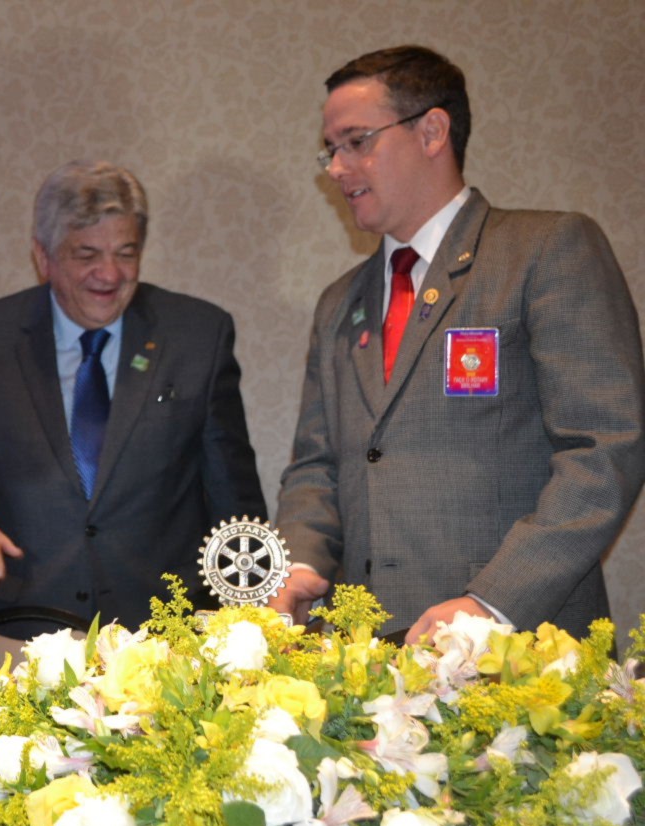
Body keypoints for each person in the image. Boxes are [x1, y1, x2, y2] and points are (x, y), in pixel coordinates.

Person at [274, 45, 645, 641]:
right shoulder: (339, 302)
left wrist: (492, 603)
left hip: (515, 649)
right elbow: (316, 466)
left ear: (432, 132)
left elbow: (604, 450)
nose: (337, 168)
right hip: (363, 658)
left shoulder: (545, 250)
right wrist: (301, 563)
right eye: (330, 149)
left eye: (357, 141)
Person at [0, 160, 266, 637]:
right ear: (43, 256)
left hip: (168, 638)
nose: (109, 274)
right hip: (27, 631)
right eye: (87, 254)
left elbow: (234, 500)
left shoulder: (197, 334)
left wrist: (252, 628)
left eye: (126, 253)